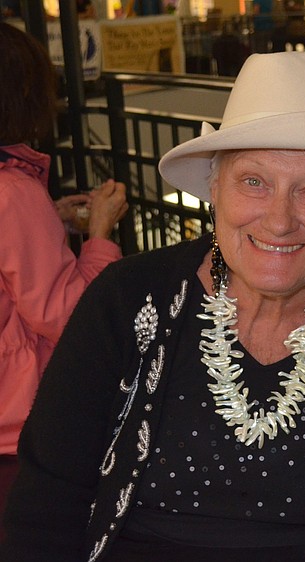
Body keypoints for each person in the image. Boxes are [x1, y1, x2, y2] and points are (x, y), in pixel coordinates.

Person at [0, 52, 305, 561]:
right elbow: (47, 501)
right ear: (215, 188)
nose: (280, 220)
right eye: (253, 181)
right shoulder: (126, 298)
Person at [0, 22, 127, 537]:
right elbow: (67, 316)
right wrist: (99, 235)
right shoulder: (12, 193)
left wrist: (48, 217)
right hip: (16, 427)